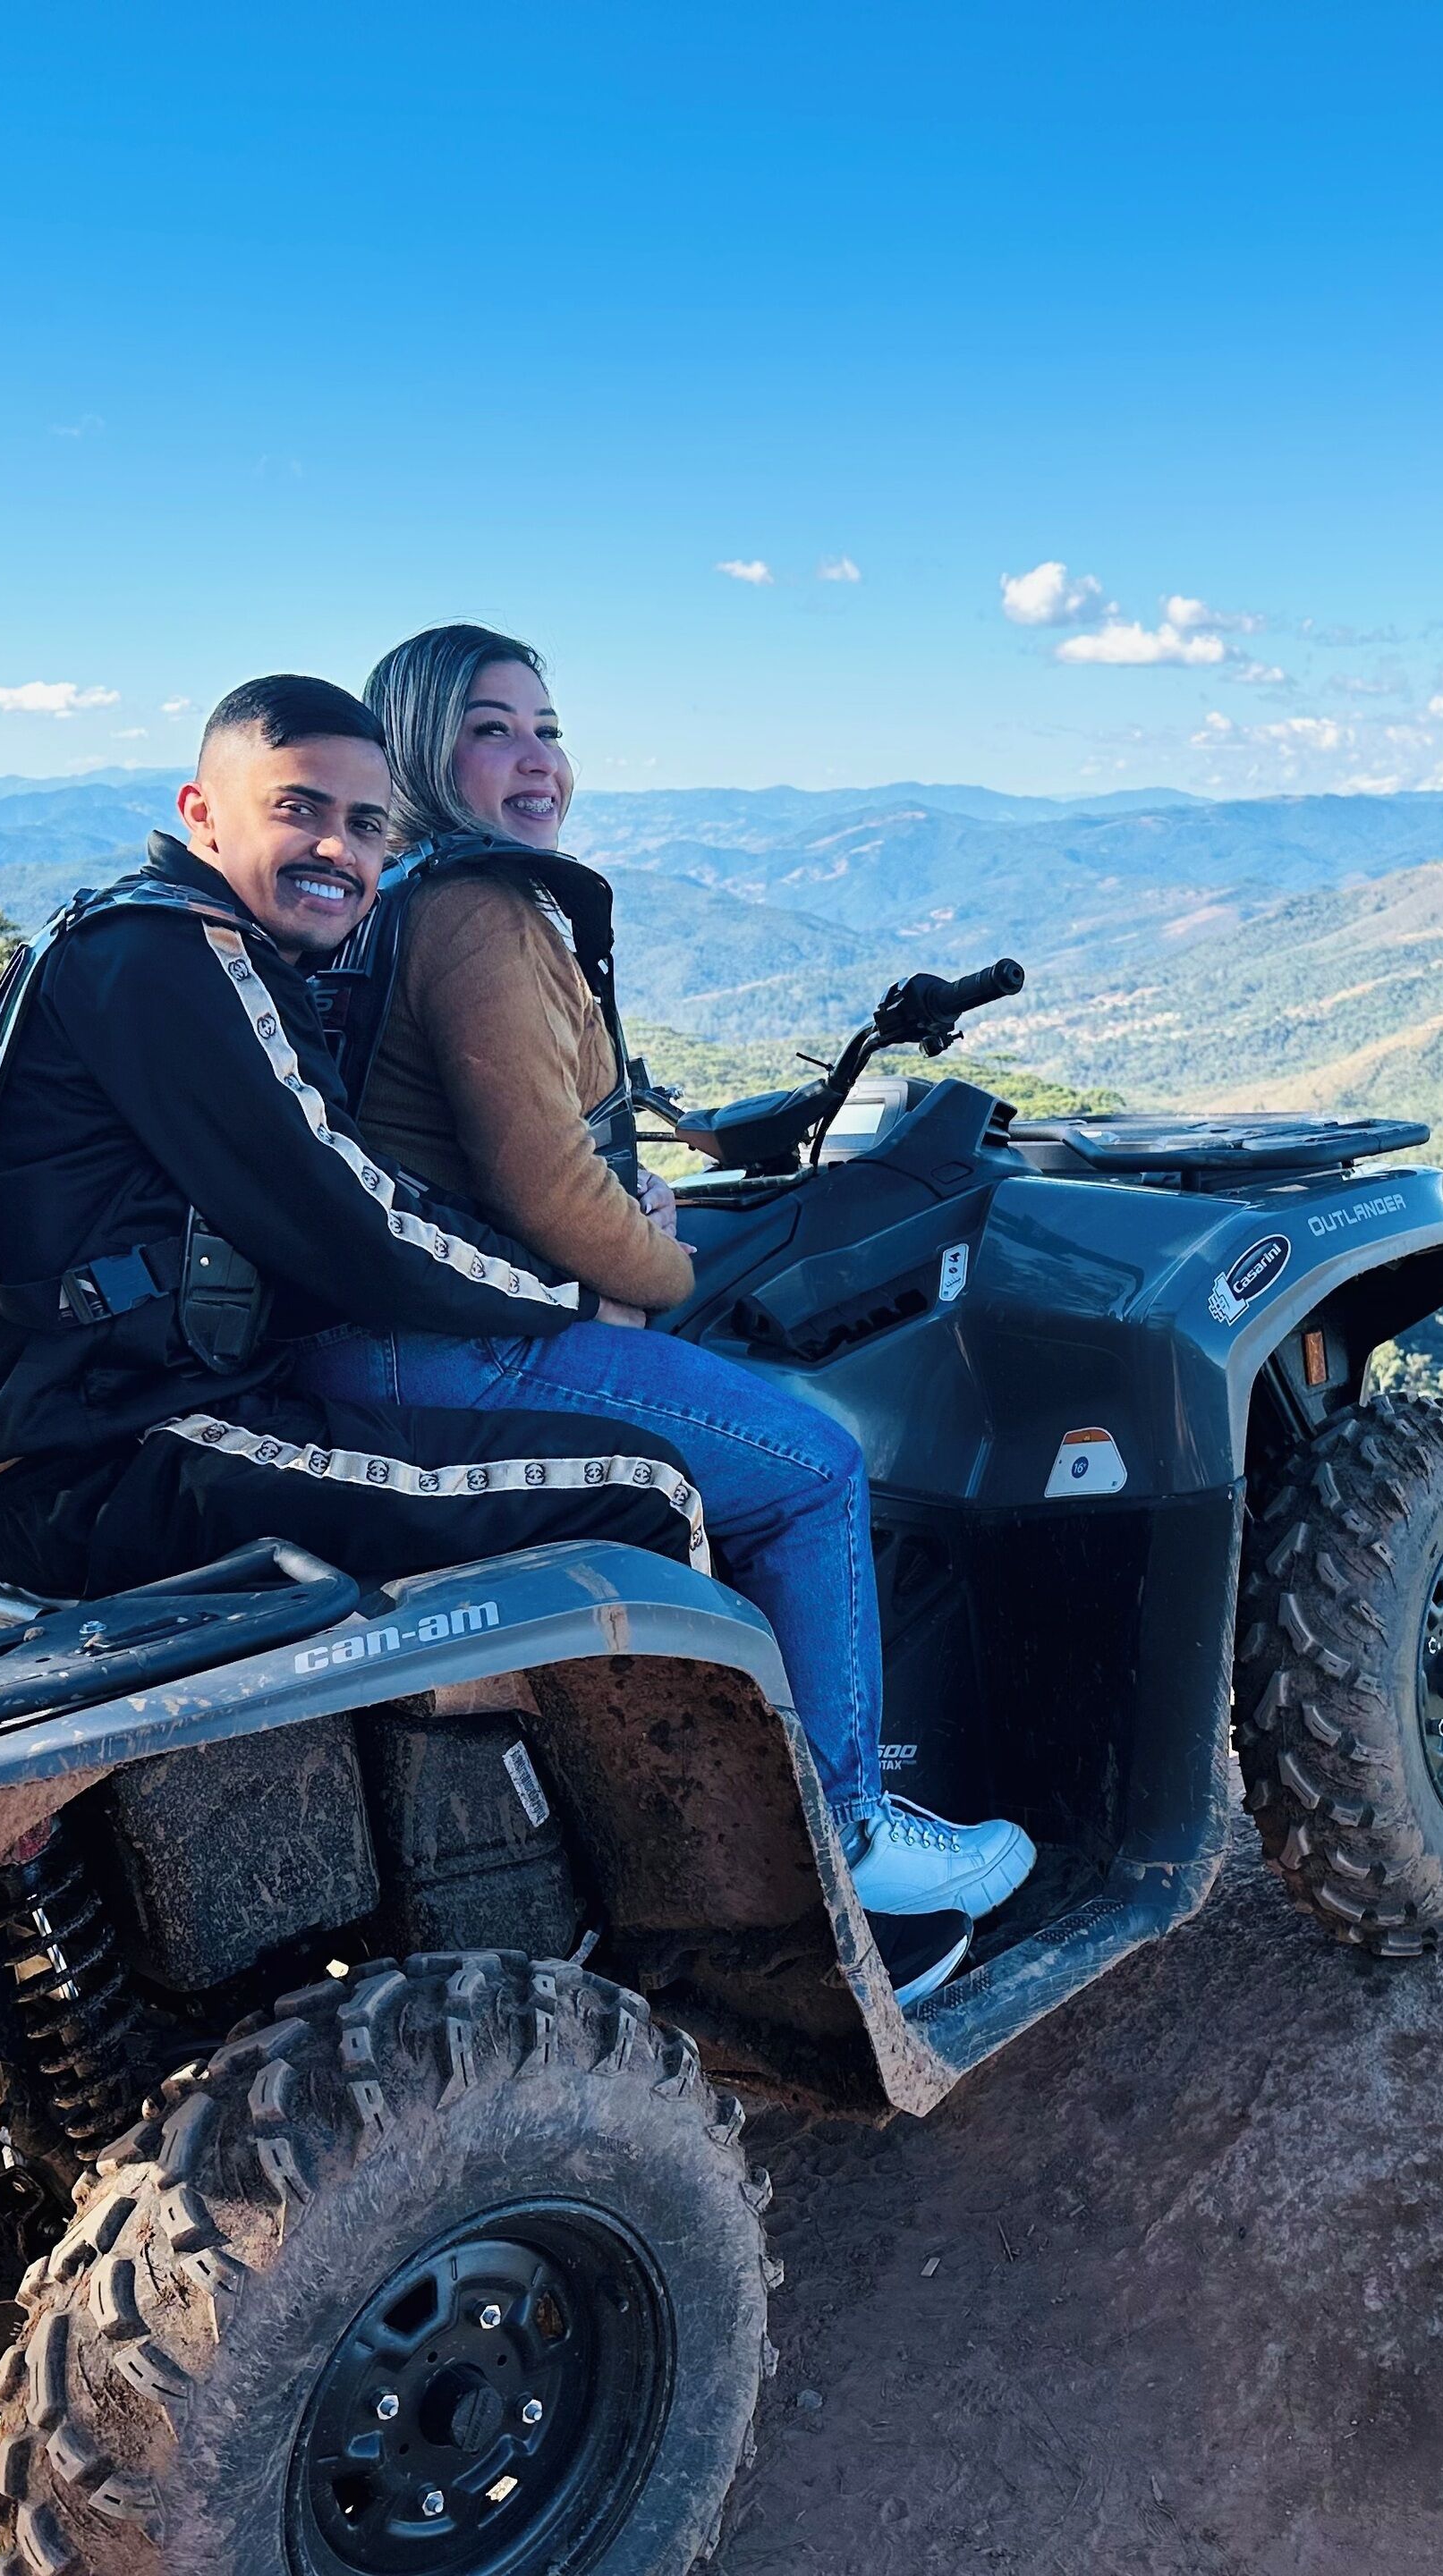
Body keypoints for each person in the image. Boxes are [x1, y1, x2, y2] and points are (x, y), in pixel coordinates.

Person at [307, 622, 1035, 1930]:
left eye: (549, 730)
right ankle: (850, 1831)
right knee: (811, 1469)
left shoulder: (391, 899)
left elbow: (494, 1149)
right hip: (464, 1343)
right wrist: (650, 1266)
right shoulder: (477, 912)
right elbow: (542, 1188)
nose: (535, 758)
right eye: (491, 729)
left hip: (389, 1330)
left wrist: (638, 1194)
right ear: (422, 748)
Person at [0, 674, 706, 1603]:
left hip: (60, 1430)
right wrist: (581, 1298)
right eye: (298, 810)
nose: (335, 848)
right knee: (647, 1487)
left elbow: (334, 1184)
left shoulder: (131, 935)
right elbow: (358, 1222)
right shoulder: (182, 958)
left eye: (365, 826)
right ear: (202, 815)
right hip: (99, 1464)